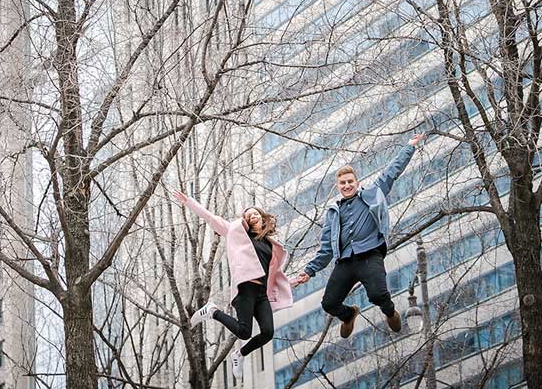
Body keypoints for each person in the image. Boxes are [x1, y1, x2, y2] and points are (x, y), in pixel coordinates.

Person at [291, 133, 424, 339]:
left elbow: (392, 172)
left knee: (377, 295)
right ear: (338, 186)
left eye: (350, 181)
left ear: (357, 182)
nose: (347, 185)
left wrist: (410, 146)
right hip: (345, 262)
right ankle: (348, 315)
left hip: (370, 255)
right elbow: (326, 249)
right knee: (329, 303)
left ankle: (390, 311)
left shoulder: (372, 194)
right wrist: (308, 271)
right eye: (342, 183)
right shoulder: (333, 213)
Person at [172, 190, 293, 382]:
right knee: (244, 331)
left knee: (268, 332)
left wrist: (294, 282)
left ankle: (239, 354)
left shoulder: (270, 245)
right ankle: (212, 312)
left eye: (256, 213)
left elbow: (274, 276)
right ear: (245, 220)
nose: (252, 216)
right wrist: (189, 202)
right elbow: (211, 218)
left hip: (261, 293)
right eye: (248, 215)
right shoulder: (235, 233)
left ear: (263, 218)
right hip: (245, 290)